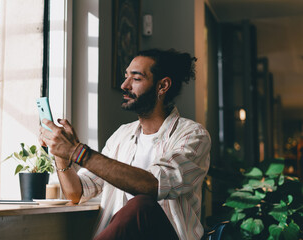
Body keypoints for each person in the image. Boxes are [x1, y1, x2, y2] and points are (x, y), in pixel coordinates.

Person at [39, 49, 211, 240]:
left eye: (136, 79)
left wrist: (78, 152)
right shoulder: (122, 135)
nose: (124, 85)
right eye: (125, 77)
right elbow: (77, 193)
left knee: (141, 204)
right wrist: (61, 154)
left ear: (162, 86)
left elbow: (153, 185)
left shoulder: (193, 135)